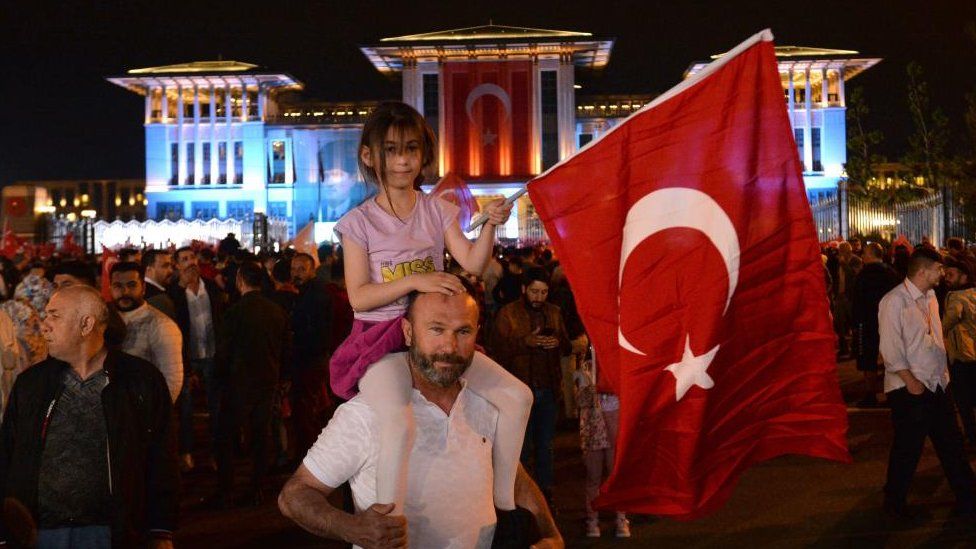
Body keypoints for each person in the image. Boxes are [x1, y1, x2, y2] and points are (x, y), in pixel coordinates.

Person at [330, 101, 531, 516]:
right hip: (380, 343)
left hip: (435, 337)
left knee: (518, 396)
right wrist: (416, 281)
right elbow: (358, 297)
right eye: (390, 149)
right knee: (399, 425)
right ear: (369, 155)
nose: (402, 160)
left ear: (424, 153)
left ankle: (505, 506)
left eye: (411, 148)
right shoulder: (357, 223)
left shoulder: (437, 210)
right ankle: (388, 522)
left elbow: (473, 264)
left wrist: (492, 223)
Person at [279, 285, 562, 548]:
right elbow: (296, 494)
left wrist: (550, 534)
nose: (449, 347)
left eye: (463, 331)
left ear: (478, 332)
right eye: (436, 329)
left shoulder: (487, 403)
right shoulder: (366, 414)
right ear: (408, 331)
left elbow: (515, 477)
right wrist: (350, 527)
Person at [0, 285, 177, 547]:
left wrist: (161, 529)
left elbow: (161, 458)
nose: (44, 325)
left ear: (86, 324)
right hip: (41, 534)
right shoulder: (32, 384)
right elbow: (7, 456)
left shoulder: (140, 381)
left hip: (114, 532)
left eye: (54, 316)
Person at [878, 248, 976, 519]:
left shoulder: (931, 296)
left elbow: (935, 339)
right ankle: (894, 503)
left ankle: (968, 498)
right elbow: (890, 349)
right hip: (909, 388)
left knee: (952, 444)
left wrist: (943, 376)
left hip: (937, 385)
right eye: (938, 269)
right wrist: (911, 381)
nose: (942, 274)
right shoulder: (894, 301)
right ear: (922, 271)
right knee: (908, 448)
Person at [490, 267, 571, 504]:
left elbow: (566, 345)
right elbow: (496, 349)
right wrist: (525, 342)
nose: (539, 297)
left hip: (547, 387)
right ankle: (520, 497)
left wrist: (555, 342)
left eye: (544, 292)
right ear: (524, 289)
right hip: (518, 390)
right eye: (535, 291)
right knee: (521, 448)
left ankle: (545, 495)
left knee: (545, 446)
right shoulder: (508, 313)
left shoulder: (554, 312)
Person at [213, 261, 290, 507]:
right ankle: (256, 486)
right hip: (267, 380)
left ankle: (226, 487)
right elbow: (286, 348)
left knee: (225, 436)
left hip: (238, 383)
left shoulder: (234, 312)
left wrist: (218, 380)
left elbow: (223, 352)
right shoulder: (275, 310)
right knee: (261, 435)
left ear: (240, 281)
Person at [171, 246, 226, 472]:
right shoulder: (174, 292)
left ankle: (216, 452)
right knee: (186, 408)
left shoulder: (211, 286)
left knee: (216, 406)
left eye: (192, 257)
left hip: (211, 354)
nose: (190, 262)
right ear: (177, 265)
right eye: (184, 259)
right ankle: (187, 451)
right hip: (187, 356)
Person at [109, 261, 183, 402]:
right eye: (118, 286)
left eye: (131, 285)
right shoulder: (103, 319)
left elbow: (172, 380)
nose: (124, 292)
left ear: (143, 288)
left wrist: (155, 415)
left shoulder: (162, 326)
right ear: (110, 287)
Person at [574, 353, 629, 539]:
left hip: (613, 426)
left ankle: (620, 518)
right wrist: (591, 386)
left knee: (615, 475)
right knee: (594, 476)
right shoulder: (586, 368)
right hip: (593, 430)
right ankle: (592, 521)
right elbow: (580, 401)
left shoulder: (618, 366)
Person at [290, 252, 335, 457]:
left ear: (312, 270)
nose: (296, 273)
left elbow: (313, 331)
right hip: (313, 358)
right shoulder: (306, 292)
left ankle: (310, 454)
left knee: (307, 409)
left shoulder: (314, 295)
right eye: (293, 269)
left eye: (301, 269)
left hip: (311, 359)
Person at [851, 242, 899, 407]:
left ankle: (870, 394)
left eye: (865, 253)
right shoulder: (891, 273)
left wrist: (855, 323)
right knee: (889, 358)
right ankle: (892, 394)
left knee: (868, 359)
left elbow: (857, 301)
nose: (862, 256)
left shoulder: (863, 275)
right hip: (889, 321)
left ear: (871, 255)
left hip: (868, 322)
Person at [942, 257, 976, 445]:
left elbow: (946, 324)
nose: (947, 278)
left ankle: (971, 436)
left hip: (963, 356)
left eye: (951, 275)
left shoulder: (956, 297)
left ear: (963, 277)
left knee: (964, 401)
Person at [142, 249, 178, 320]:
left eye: (170, 266)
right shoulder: (155, 299)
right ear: (149, 270)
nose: (171, 270)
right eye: (165, 266)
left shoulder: (142, 291)